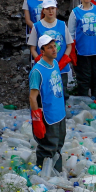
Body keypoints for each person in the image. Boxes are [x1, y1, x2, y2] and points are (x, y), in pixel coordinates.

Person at [30, 35, 66, 172]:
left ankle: (57, 173)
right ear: (42, 51)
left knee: (58, 144)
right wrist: (37, 119)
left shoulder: (55, 63)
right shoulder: (37, 71)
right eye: (49, 47)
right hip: (47, 115)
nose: (54, 49)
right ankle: (42, 176)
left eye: (54, 46)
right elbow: (33, 97)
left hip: (59, 113)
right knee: (47, 146)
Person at [27, 0, 73, 98]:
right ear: (43, 10)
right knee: (45, 93)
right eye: (48, 9)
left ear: (56, 9)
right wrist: (40, 61)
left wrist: (64, 61)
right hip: (44, 68)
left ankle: (61, 112)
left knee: (61, 93)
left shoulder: (62, 25)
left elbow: (69, 45)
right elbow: (32, 48)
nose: (50, 11)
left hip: (61, 68)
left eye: (53, 8)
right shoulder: (37, 26)